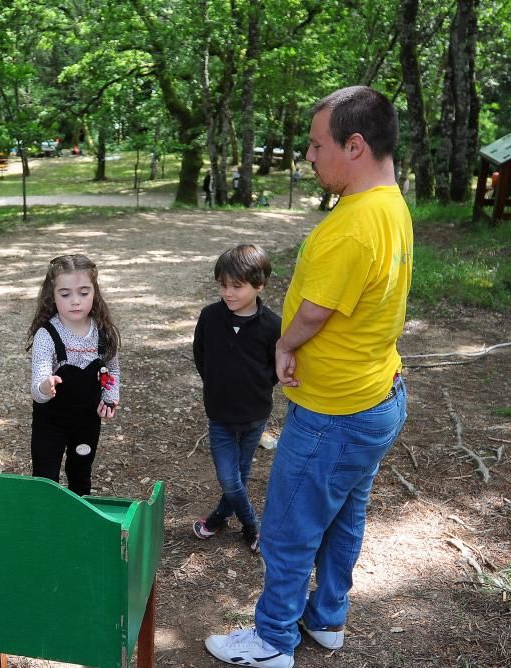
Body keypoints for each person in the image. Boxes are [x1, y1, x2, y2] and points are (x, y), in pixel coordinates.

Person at [205, 86, 412, 668]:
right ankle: (326, 619)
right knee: (344, 515)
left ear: (355, 144)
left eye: (318, 145)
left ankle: (272, 640)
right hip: (377, 395)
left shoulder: (351, 226)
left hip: (335, 413)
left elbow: (315, 311)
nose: (309, 157)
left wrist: (285, 346)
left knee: (288, 528)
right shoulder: (390, 204)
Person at [191, 244, 281, 555]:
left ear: (260, 285)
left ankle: (218, 518)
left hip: (255, 415)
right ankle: (252, 525)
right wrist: (217, 385)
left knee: (240, 474)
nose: (228, 293)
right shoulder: (210, 317)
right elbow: (200, 355)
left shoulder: (272, 325)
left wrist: (255, 388)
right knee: (230, 478)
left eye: (237, 286)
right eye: (223, 285)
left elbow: (276, 368)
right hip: (220, 415)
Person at [26, 254, 120, 496]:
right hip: (51, 423)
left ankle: (79, 523)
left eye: (84, 292)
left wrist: (109, 397)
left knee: (81, 473)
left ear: (94, 293)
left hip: (87, 421)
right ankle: (46, 522)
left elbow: (112, 370)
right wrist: (46, 387)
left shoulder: (103, 333)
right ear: (53, 295)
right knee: (45, 479)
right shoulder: (46, 336)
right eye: (65, 294)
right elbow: (38, 387)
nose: (75, 301)